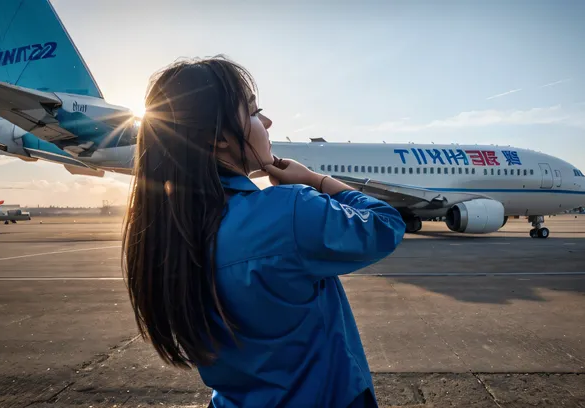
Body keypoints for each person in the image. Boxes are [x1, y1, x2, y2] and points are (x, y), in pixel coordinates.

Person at [122, 55, 406, 408]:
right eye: (254, 112)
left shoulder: (169, 232)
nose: (267, 121)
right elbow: (387, 224)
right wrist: (316, 180)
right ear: (219, 140)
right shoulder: (288, 210)